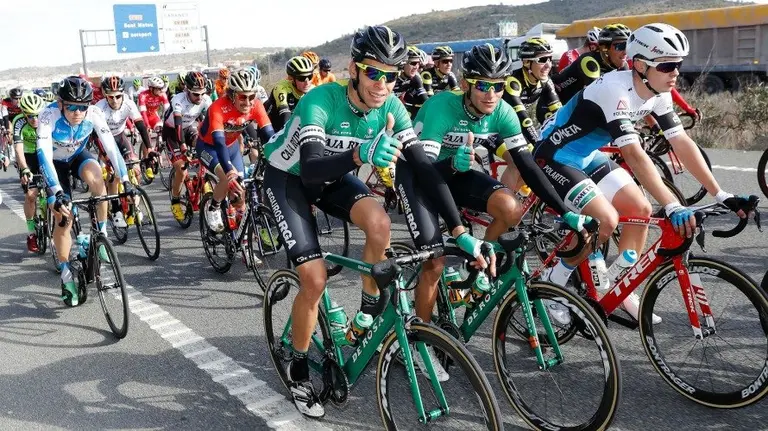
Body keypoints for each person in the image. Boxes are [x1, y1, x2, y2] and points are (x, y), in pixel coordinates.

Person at [263, 25, 493, 419]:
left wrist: (460, 232)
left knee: (380, 223)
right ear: (353, 69)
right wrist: (361, 154)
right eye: (374, 72)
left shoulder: (392, 108)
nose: (383, 84)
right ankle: (299, 368)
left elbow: (422, 167)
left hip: (333, 176)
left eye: (391, 74)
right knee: (315, 279)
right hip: (291, 179)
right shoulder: (321, 100)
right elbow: (313, 169)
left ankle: (369, 307)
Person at [532, 23, 752, 323]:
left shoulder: (657, 91)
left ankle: (619, 288)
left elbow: (682, 143)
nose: (675, 72)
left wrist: (721, 193)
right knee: (605, 221)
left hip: (586, 155)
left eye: (678, 64)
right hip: (554, 156)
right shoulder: (614, 89)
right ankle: (553, 285)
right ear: (639, 65)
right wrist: (673, 204)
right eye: (667, 65)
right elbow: (634, 155)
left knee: (641, 208)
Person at [37, 76, 132, 307]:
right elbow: (43, 154)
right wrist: (57, 192)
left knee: (98, 180)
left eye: (82, 107)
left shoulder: (94, 114)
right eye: (71, 106)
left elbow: (110, 146)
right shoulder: (48, 116)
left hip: (78, 156)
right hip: (55, 165)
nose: (78, 112)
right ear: (61, 104)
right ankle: (67, 275)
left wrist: (126, 181)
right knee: (64, 218)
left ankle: (101, 235)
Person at [197, 68, 274, 232]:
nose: (248, 102)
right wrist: (229, 172)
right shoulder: (217, 107)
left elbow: (269, 134)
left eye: (251, 96)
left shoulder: (256, 105)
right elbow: (218, 141)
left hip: (231, 148)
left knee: (240, 192)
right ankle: (214, 208)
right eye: (242, 97)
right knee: (227, 177)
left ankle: (241, 231)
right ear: (232, 95)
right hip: (209, 147)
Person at [95, 76, 153, 226]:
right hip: (104, 140)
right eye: (111, 97)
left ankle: (135, 206)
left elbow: (140, 125)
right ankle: (115, 211)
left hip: (120, 137)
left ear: (123, 94)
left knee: (135, 168)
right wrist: (104, 155)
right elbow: (95, 136)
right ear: (105, 96)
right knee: (114, 177)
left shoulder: (128, 103)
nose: (115, 100)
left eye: (118, 96)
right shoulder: (99, 108)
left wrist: (150, 148)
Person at [166, 72, 213, 222]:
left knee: (205, 147)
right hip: (172, 133)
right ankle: (175, 200)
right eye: (195, 94)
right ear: (187, 90)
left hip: (189, 129)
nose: (199, 98)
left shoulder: (206, 99)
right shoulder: (178, 99)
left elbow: (213, 121)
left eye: (202, 94)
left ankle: (200, 181)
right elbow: (178, 124)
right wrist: (182, 146)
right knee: (181, 167)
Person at [502, 37, 562, 147]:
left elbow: (559, 113)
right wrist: (537, 144)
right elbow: (524, 120)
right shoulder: (513, 82)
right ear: (526, 62)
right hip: (496, 126)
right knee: (529, 153)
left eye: (550, 58)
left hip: (514, 124)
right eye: (542, 60)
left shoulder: (546, 81)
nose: (548, 65)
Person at [553, 23, 631, 104]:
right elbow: (601, 97)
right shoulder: (589, 61)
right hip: (553, 98)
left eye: (628, 46)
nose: (625, 52)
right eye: (621, 46)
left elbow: (628, 92)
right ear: (604, 48)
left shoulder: (623, 64)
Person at [12, 93, 46, 252]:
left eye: (37, 115)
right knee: (31, 195)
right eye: (30, 116)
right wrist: (24, 168)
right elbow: (18, 149)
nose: (35, 119)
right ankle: (31, 232)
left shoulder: (46, 117)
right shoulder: (18, 121)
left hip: (44, 154)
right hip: (27, 157)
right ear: (24, 114)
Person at [264, 56, 315, 131]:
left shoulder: (313, 90)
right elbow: (285, 115)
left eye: (310, 77)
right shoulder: (282, 88)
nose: (307, 82)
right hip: (271, 123)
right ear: (292, 78)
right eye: (302, 78)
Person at [137, 76, 170, 179]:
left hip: (153, 116)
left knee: (162, 129)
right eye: (158, 88)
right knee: (147, 134)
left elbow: (167, 110)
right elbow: (143, 112)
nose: (161, 90)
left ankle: (159, 147)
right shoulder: (143, 95)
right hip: (143, 117)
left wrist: (168, 123)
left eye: (162, 88)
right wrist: (147, 126)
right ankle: (146, 161)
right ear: (151, 88)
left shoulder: (162, 94)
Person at [393, 46, 429, 119]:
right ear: (402, 63)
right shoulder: (393, 76)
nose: (416, 67)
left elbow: (425, 99)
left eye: (418, 63)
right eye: (413, 63)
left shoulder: (415, 77)